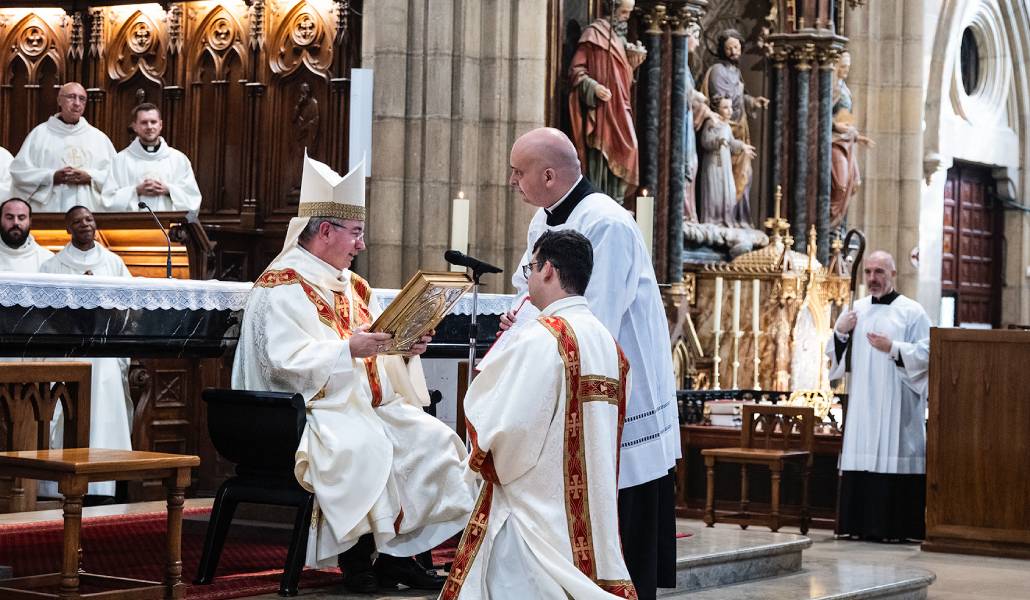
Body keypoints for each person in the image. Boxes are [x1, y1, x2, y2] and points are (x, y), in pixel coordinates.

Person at [231, 153, 475, 593]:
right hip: (308, 409)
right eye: (356, 233)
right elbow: (283, 363)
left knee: (433, 440)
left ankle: (399, 557)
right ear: (325, 231)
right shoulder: (282, 286)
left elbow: (374, 350)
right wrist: (348, 350)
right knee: (365, 446)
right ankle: (358, 559)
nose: (361, 245)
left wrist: (404, 351)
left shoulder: (355, 287)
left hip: (360, 403)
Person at [505, 127, 679, 599]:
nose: (512, 181)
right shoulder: (543, 220)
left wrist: (527, 336)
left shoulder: (607, 223)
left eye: (518, 172)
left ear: (547, 174)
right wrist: (515, 321)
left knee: (620, 502)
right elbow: (532, 289)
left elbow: (593, 314)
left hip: (618, 379)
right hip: (567, 370)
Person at [442, 230, 637, 600]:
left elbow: (508, 427)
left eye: (530, 266)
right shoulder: (610, 345)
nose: (528, 276)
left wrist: (486, 456)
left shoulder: (541, 337)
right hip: (587, 519)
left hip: (533, 517)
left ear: (548, 269)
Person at [826, 250, 930, 542]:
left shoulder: (912, 311)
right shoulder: (857, 309)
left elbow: (928, 353)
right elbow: (837, 360)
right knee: (863, 456)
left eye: (879, 272)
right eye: (869, 272)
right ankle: (857, 525)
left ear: (893, 275)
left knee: (892, 456)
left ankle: (896, 528)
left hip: (897, 404)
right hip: (862, 404)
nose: (872, 278)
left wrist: (894, 348)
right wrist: (840, 332)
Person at [40, 206, 133, 503]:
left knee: (105, 412)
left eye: (89, 220)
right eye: (77, 221)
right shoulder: (52, 266)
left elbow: (128, 306)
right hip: (67, 352)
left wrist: (99, 294)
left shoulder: (113, 263)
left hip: (103, 352)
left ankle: (104, 484)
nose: (85, 225)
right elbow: (43, 312)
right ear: (68, 228)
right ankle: (58, 484)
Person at [568, 0, 646, 201]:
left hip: (621, 105)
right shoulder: (594, 34)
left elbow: (622, 78)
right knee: (604, 151)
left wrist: (632, 66)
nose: (627, 17)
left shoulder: (620, 39)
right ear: (612, 9)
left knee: (630, 147)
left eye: (629, 13)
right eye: (623, 12)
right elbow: (576, 71)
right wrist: (593, 87)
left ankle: (617, 200)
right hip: (603, 108)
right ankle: (601, 198)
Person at [9, 82, 117, 212]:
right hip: (48, 215)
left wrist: (90, 176)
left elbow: (116, 176)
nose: (77, 103)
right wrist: (51, 176)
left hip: (88, 215)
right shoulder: (39, 135)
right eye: (71, 97)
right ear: (59, 100)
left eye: (82, 99)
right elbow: (19, 172)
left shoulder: (99, 138)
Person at [699, 29, 768, 222]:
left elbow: (737, 99)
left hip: (739, 128)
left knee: (745, 174)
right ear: (722, 49)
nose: (733, 51)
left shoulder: (736, 72)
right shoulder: (718, 72)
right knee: (723, 177)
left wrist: (753, 102)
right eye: (729, 48)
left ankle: (739, 218)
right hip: (725, 128)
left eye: (736, 47)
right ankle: (721, 218)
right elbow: (722, 102)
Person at [103, 103, 202, 212]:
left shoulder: (178, 160)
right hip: (133, 227)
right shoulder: (120, 160)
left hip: (168, 226)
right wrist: (136, 190)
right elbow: (107, 201)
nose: (149, 127)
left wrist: (168, 190)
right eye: (144, 123)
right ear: (135, 126)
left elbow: (193, 200)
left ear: (160, 125)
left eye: (153, 122)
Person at [831, 51, 875, 230]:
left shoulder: (845, 90)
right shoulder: (832, 90)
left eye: (848, 67)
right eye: (842, 66)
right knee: (841, 185)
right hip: (835, 142)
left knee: (855, 183)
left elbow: (846, 119)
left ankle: (838, 227)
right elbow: (820, 115)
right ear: (835, 67)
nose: (846, 70)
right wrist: (835, 126)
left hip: (847, 142)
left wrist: (859, 137)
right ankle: (829, 225)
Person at [698, 96, 756, 227]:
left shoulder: (726, 127)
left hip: (725, 164)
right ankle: (712, 220)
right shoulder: (711, 123)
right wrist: (718, 141)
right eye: (725, 107)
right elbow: (705, 141)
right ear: (717, 109)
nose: (730, 111)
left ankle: (725, 219)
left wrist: (743, 146)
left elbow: (731, 142)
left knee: (728, 192)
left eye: (731, 107)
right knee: (715, 192)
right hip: (713, 164)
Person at [0, 198, 54, 272]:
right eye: (9, 217)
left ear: (30, 221)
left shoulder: (47, 259)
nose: (15, 222)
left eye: (21, 218)